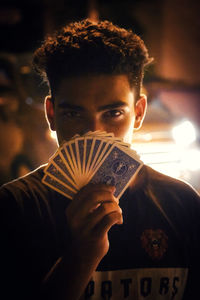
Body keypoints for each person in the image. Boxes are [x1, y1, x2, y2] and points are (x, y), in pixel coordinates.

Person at [0, 19, 200, 300]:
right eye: (74, 114)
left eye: (113, 113)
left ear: (139, 112)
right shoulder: (15, 206)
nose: (94, 132)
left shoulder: (183, 204)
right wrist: (82, 256)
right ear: (51, 114)